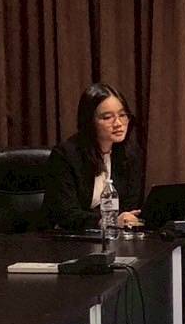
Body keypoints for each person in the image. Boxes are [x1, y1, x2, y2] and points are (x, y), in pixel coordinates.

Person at [44, 82, 146, 231]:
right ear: (89, 122)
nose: (118, 123)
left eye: (123, 115)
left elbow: (130, 206)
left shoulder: (131, 153)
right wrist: (108, 221)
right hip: (69, 236)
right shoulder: (66, 155)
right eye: (107, 117)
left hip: (114, 236)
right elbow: (66, 213)